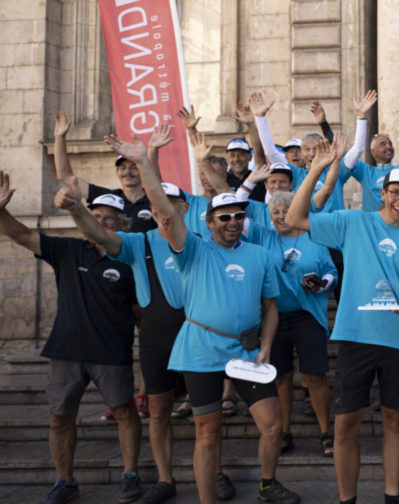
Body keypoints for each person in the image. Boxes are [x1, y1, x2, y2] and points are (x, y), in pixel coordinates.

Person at [105, 132, 299, 504]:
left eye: (238, 215)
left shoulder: (259, 255)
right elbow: (165, 213)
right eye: (224, 216)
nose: (232, 221)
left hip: (246, 351)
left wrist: (266, 346)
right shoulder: (193, 248)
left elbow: (271, 307)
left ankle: (267, 483)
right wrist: (145, 161)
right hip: (201, 351)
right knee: (207, 434)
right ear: (208, 222)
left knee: (273, 425)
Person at [286, 161, 399, 504]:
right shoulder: (354, 222)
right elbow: (295, 218)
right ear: (382, 193)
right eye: (395, 192)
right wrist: (316, 170)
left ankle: (392, 499)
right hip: (356, 336)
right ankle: (347, 500)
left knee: (395, 422)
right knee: (345, 425)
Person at [0, 171, 142, 504]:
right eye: (97, 216)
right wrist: (1, 211)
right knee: (59, 418)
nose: (102, 222)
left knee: (125, 413)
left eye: (110, 218)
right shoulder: (69, 250)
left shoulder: (133, 260)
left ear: (124, 225)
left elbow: (140, 313)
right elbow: (21, 235)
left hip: (111, 353)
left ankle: (130, 474)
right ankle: (65, 481)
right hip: (66, 351)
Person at [58, 174, 194, 503]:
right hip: (156, 337)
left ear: (184, 207)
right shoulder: (138, 242)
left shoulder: (200, 242)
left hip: (196, 336)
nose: (163, 209)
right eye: (158, 203)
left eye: (171, 203)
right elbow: (98, 234)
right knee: (159, 412)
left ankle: (213, 472)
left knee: (206, 415)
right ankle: (165, 480)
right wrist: (77, 209)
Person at [246, 188, 337, 458]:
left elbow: (331, 272)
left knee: (314, 376)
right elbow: (236, 205)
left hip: (307, 315)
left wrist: (322, 285)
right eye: (275, 212)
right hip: (273, 319)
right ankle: (284, 432)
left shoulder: (314, 238)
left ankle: (326, 431)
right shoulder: (263, 236)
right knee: (281, 377)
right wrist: (251, 181)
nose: (281, 216)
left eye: (286, 210)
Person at [53, 110, 155, 233]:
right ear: (117, 172)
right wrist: (59, 138)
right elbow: (65, 176)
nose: (127, 172)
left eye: (134, 168)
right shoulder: (107, 198)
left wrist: (153, 150)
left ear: (142, 171)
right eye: (122, 168)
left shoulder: (155, 199)